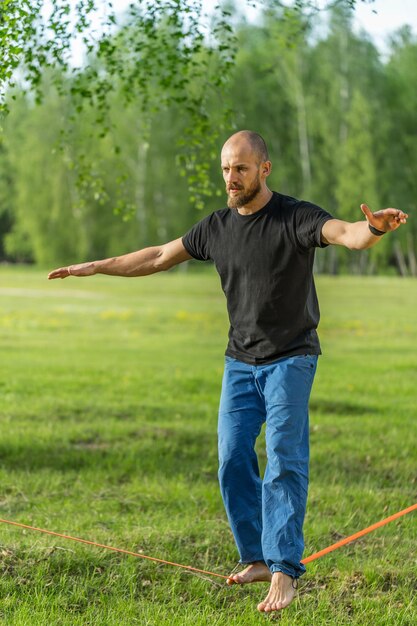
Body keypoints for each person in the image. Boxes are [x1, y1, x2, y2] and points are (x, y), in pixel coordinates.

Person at [48, 130, 408, 613]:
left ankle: (283, 569)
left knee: (283, 457)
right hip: (239, 361)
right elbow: (157, 256)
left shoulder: (295, 216)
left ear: (264, 168)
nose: (231, 178)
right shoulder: (215, 227)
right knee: (232, 458)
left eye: (240, 168)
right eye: (225, 169)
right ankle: (257, 556)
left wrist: (377, 228)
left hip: (291, 357)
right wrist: (95, 266)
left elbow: (347, 234)